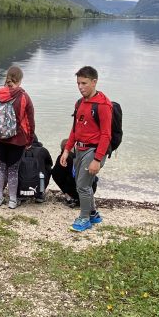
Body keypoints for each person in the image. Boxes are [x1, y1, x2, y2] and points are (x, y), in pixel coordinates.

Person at [60, 66, 113, 232]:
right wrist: (67, 150)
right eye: (78, 83)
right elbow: (75, 130)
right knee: (82, 183)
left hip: (94, 150)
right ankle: (93, 213)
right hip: (80, 149)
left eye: (84, 83)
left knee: (82, 185)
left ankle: (84, 218)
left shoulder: (103, 105)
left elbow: (106, 135)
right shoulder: (79, 103)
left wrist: (97, 159)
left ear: (94, 82)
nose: (80, 87)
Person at [0, 65, 35, 209]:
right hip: (17, 139)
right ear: (20, 80)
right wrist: (29, 139)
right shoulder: (24, 96)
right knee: (13, 170)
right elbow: (30, 122)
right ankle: (12, 200)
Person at [51, 137, 98, 208]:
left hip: (73, 190)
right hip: (88, 189)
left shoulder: (62, 159)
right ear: (73, 147)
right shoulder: (82, 157)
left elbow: (55, 175)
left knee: (56, 174)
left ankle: (69, 196)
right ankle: (85, 199)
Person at [16, 135, 53, 203]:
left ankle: (19, 195)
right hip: (38, 186)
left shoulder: (17, 150)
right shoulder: (42, 150)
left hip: (20, 189)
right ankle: (40, 194)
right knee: (48, 168)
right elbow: (50, 163)